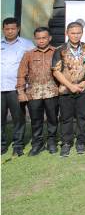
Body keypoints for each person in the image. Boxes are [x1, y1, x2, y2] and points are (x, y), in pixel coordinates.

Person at [51, 20, 85, 156]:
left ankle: (81, 142)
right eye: (73, 33)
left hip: (83, 89)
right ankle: (66, 143)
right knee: (66, 117)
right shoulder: (60, 50)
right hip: (66, 89)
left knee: (82, 117)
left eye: (78, 33)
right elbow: (56, 71)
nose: (75, 35)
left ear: (82, 33)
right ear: (67, 33)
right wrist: (70, 86)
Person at [17, 27, 59, 156]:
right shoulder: (28, 54)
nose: (41, 40)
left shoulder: (56, 52)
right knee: (36, 120)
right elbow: (21, 74)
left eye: (44, 38)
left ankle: (52, 142)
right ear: (35, 39)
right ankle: (37, 144)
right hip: (33, 93)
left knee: (53, 119)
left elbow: (63, 71)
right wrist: (21, 91)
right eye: (38, 38)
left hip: (52, 92)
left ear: (49, 38)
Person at [2, 17, 32, 157]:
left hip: (17, 89)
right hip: (1, 88)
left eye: (12, 29)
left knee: (18, 118)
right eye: (7, 29)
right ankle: (1, 145)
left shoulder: (27, 44)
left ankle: (18, 145)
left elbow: (32, 65)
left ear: (18, 29)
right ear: (3, 29)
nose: (10, 31)